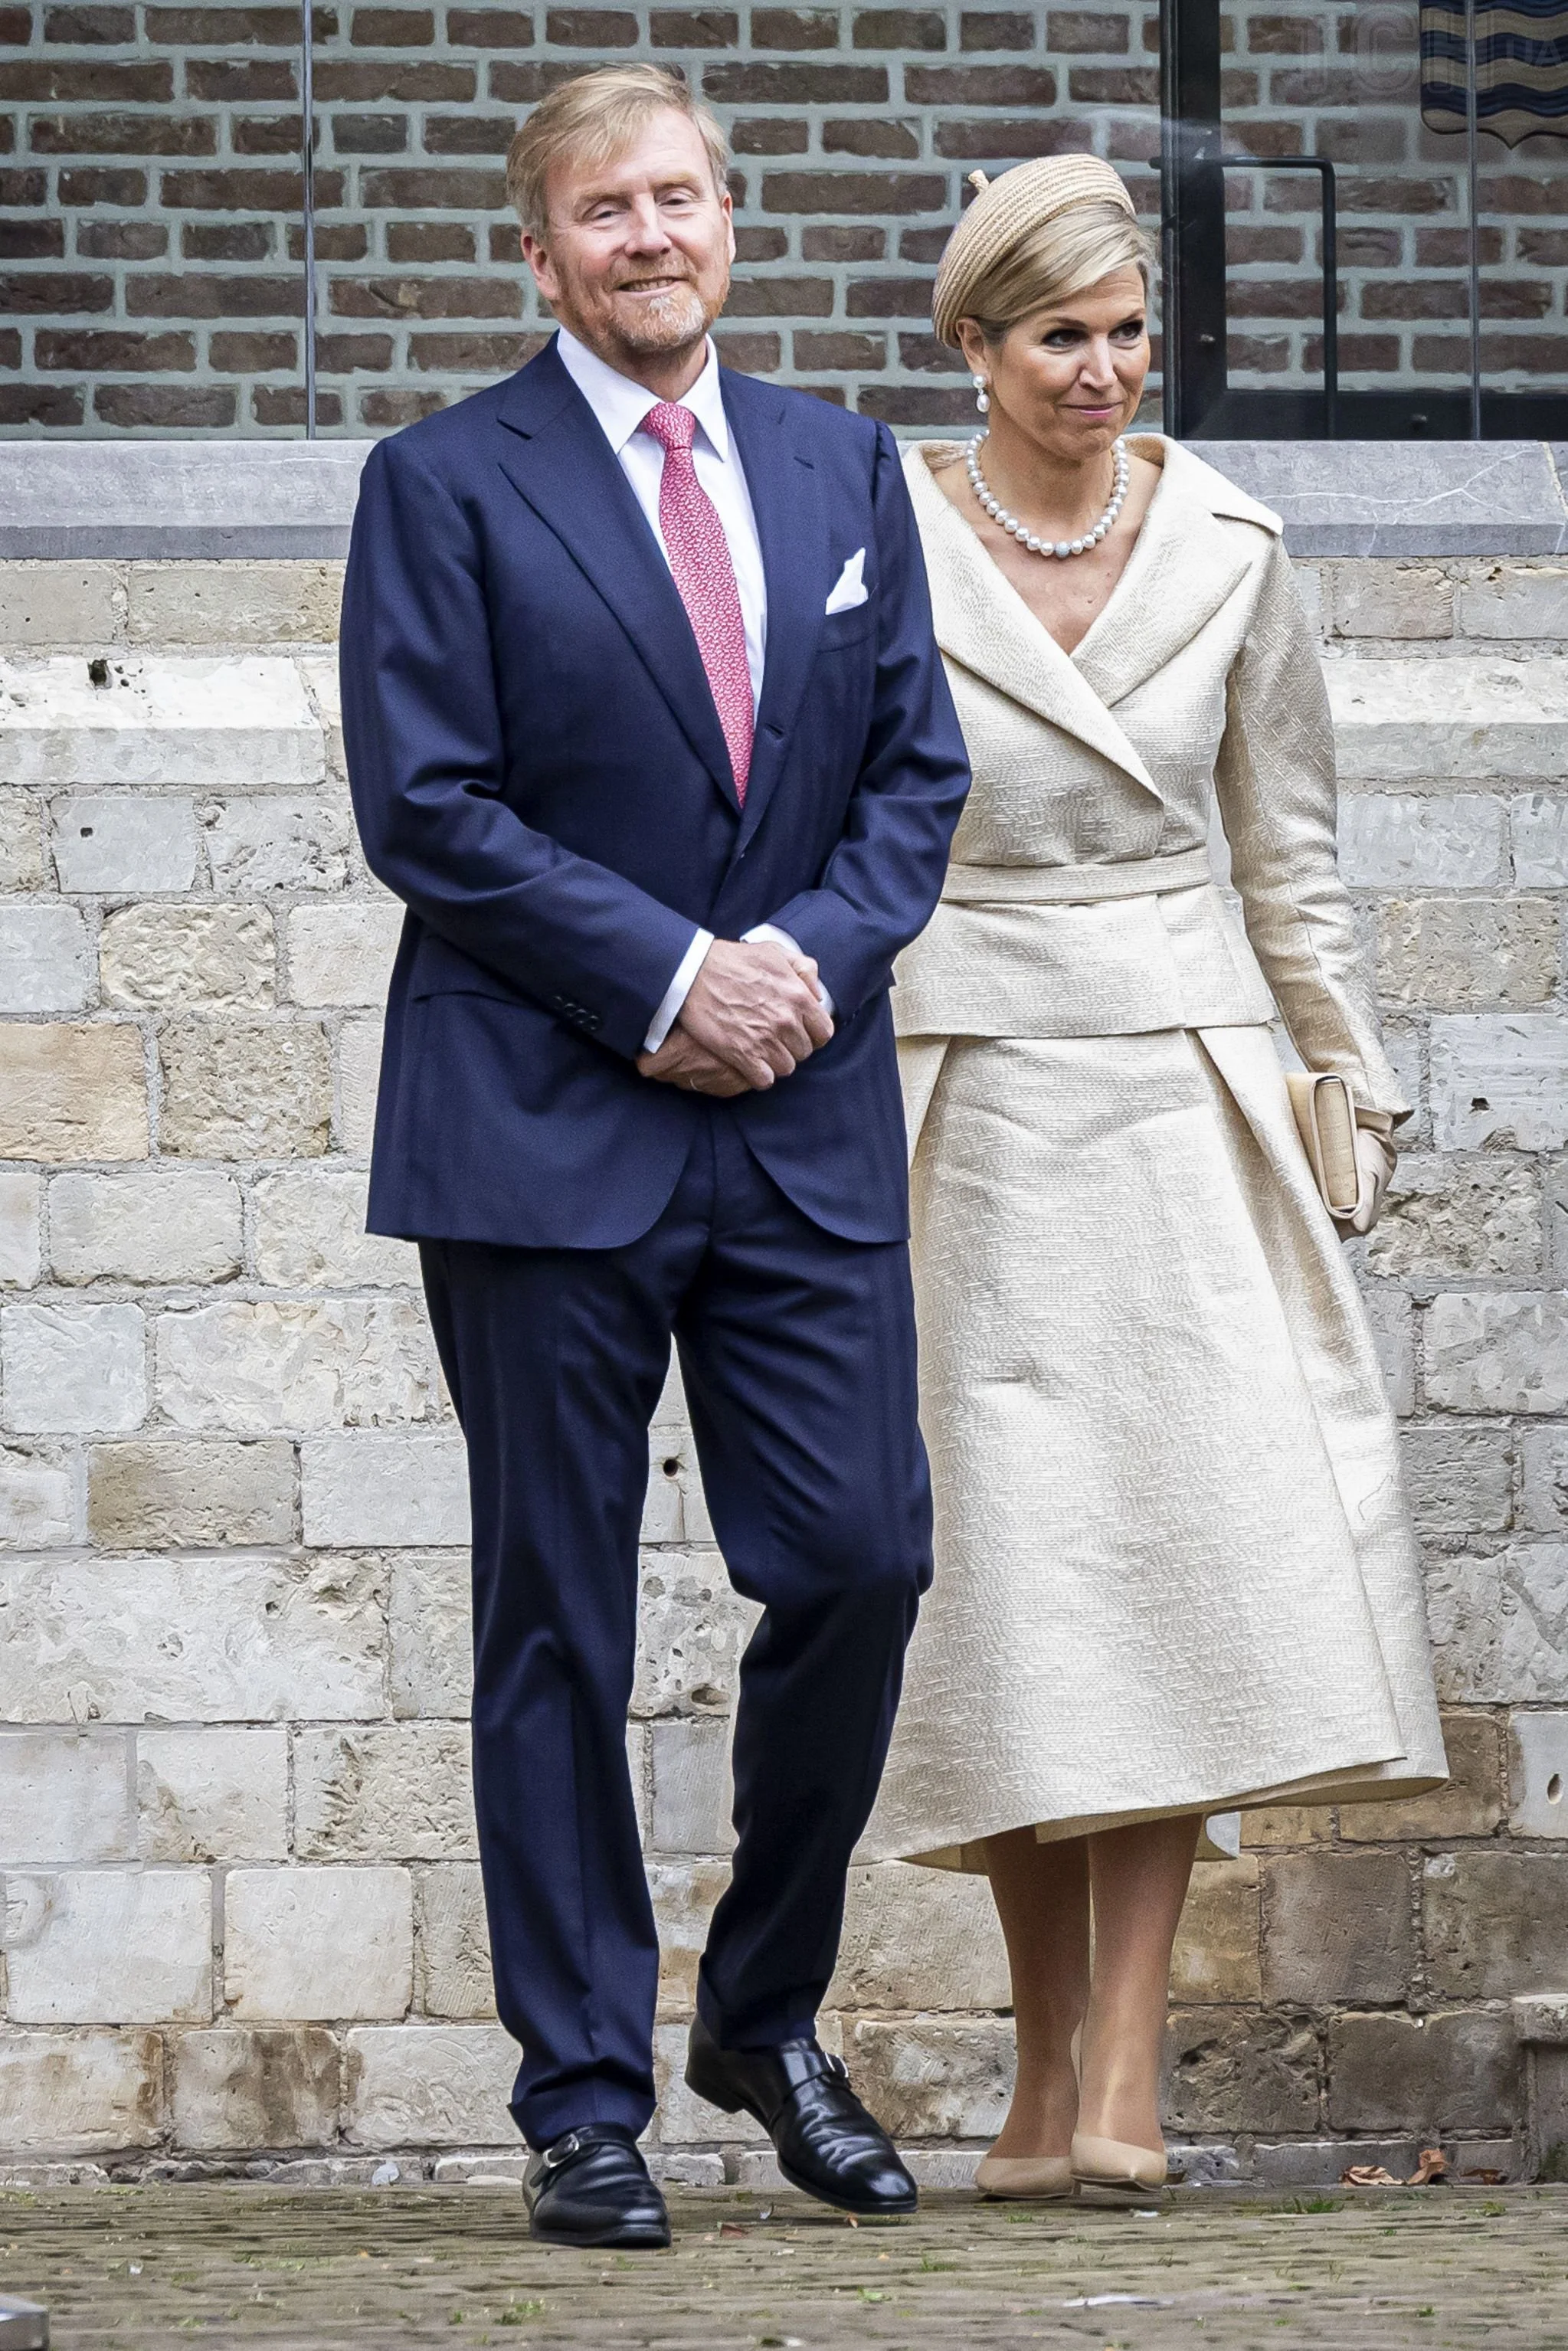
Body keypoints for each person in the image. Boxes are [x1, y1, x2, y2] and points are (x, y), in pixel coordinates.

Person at [339, 64, 970, 2249]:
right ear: (542, 253)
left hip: (795, 1118)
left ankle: (758, 2010)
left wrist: (786, 960)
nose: (648, 234)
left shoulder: (841, 461)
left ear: (731, 223)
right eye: (602, 209)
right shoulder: (438, 483)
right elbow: (425, 803)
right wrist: (664, 974)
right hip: (540, 1126)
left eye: (679, 197)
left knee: (864, 1553)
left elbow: (915, 776)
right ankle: (581, 2093)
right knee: (557, 1623)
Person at [864, 154, 1446, 2204]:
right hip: (964, 1095)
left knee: (1173, 1574)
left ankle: (1119, 2081)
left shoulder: (1228, 543)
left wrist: (1344, 1077)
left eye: (1126, 332)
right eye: (1058, 338)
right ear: (972, 346)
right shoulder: (885, 543)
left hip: (1184, 1095)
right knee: (1012, 1597)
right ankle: (1037, 2086)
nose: (1102, 372)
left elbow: (1286, 845)